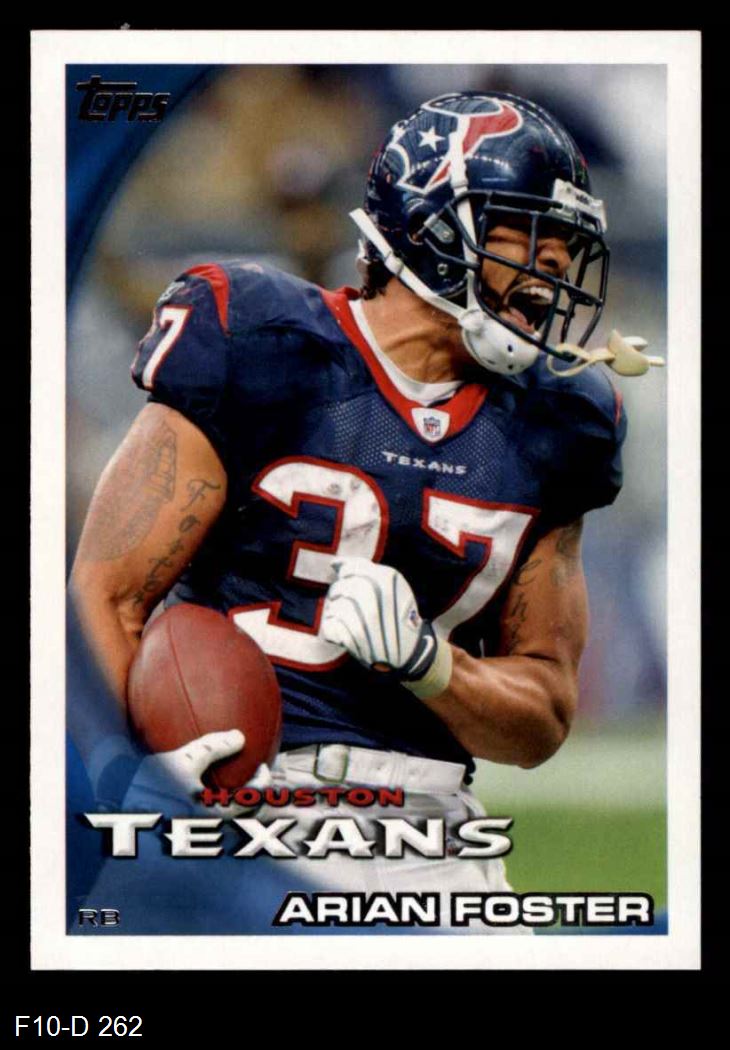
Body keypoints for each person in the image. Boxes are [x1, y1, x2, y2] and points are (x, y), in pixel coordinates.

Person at [70, 91, 658, 932]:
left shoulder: (559, 422)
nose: (554, 270)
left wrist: (431, 665)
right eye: (528, 236)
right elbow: (106, 594)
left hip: (430, 829)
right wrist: (130, 773)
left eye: (566, 248)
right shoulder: (257, 340)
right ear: (431, 224)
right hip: (231, 795)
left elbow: (544, 713)